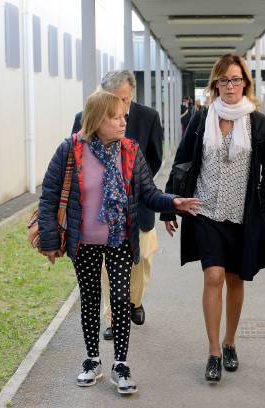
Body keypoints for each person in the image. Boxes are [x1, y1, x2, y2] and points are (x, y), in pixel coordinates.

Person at [39, 90, 200, 394]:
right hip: (84, 242)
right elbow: (49, 195)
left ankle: (121, 364)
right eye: (116, 116)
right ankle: (92, 359)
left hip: (120, 240)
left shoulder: (130, 151)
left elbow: (148, 193)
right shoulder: (70, 150)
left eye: (124, 115)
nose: (124, 120)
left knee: (121, 300)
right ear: (98, 120)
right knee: (89, 300)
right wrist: (49, 239)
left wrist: (173, 202)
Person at [161, 54, 265, 383]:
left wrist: (262, 203)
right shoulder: (202, 120)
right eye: (225, 80)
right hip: (206, 212)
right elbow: (182, 161)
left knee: (234, 279)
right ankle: (214, 351)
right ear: (215, 85)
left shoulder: (257, 123)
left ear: (245, 82)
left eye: (237, 79)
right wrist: (171, 205)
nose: (231, 86)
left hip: (242, 217)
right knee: (213, 275)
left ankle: (230, 342)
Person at [72, 70, 163, 340]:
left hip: (139, 205)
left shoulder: (148, 118)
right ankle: (114, 316)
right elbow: (76, 158)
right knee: (108, 269)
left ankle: (135, 300)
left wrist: (134, 182)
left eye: (124, 99)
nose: (119, 107)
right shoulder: (83, 119)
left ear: (131, 95)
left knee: (143, 259)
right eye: (113, 99)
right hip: (101, 212)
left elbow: (155, 159)